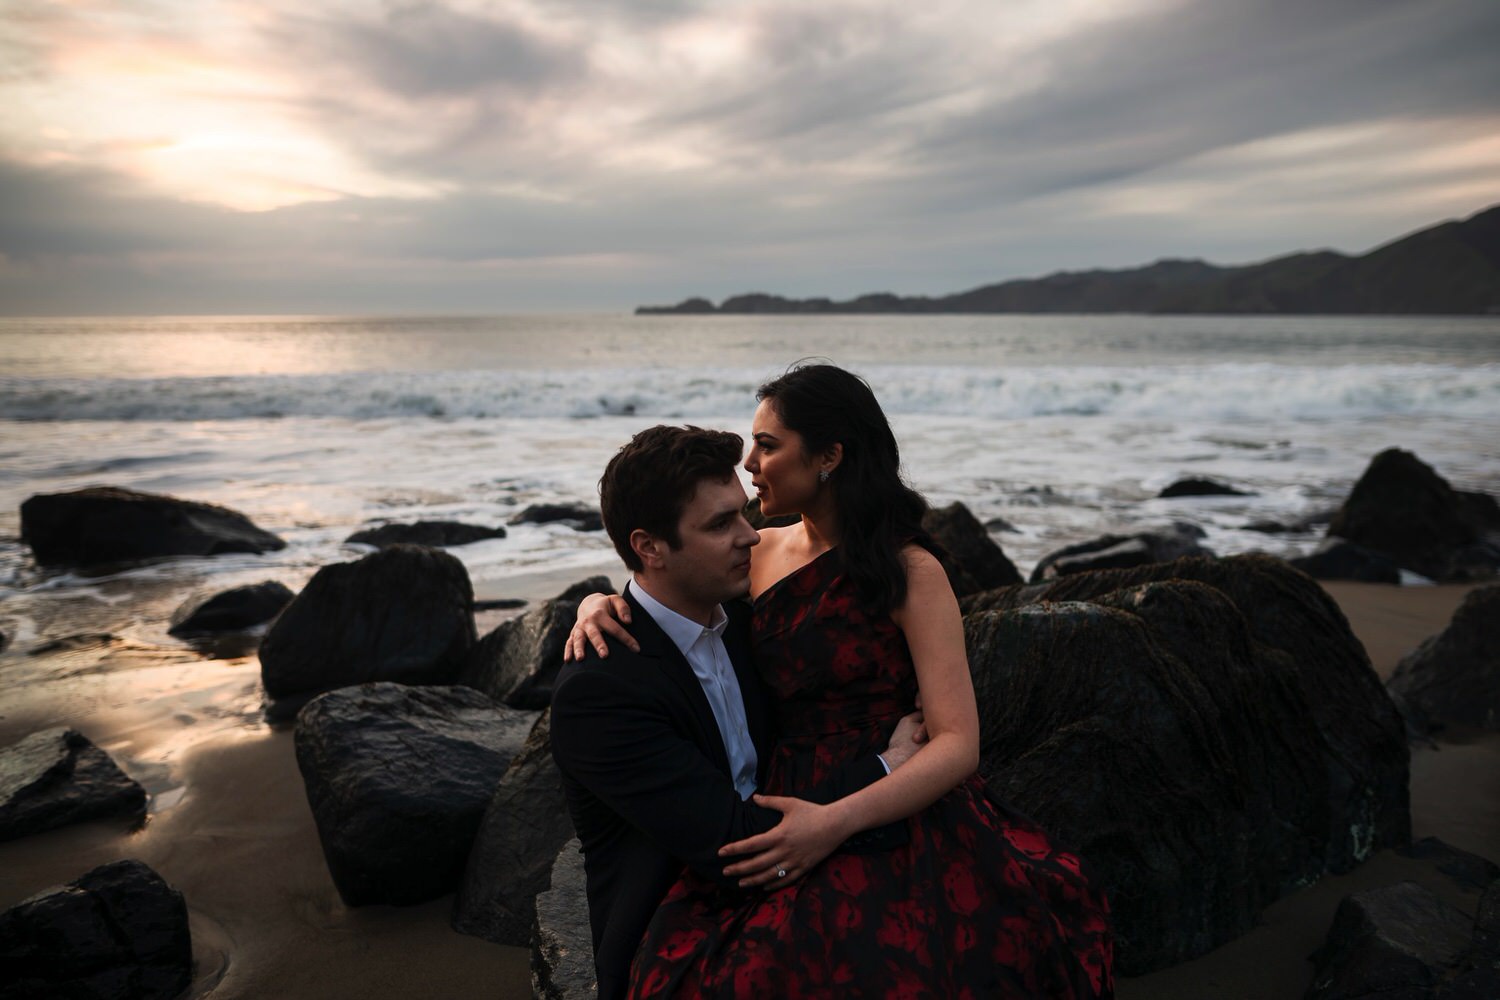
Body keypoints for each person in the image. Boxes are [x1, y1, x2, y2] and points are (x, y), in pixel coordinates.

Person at [568, 364, 1115, 998]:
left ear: (829, 455)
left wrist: (843, 814)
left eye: (768, 445)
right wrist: (601, 601)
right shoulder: (758, 555)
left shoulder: (908, 569)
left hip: (888, 802)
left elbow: (958, 743)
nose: (751, 464)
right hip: (783, 794)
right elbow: (672, 591)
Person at [549, 424, 928, 1000]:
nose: (751, 537)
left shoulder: (743, 627)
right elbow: (736, 847)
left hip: (782, 871)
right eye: (719, 525)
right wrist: (888, 764)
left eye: (743, 513)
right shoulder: (600, 693)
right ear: (649, 547)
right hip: (681, 926)